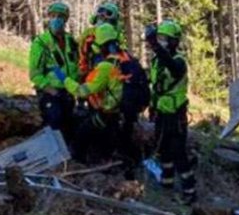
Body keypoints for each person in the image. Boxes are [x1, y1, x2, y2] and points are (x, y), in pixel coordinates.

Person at [75, 22, 139, 171]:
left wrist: (66, 81)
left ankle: (88, 163)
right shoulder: (125, 57)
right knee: (111, 136)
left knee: (85, 133)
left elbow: (86, 89)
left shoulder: (105, 64)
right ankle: (111, 160)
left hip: (107, 109)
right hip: (119, 108)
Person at [147, 19, 194, 204]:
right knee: (163, 152)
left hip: (176, 116)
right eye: (159, 38)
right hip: (161, 113)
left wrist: (155, 45)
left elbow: (173, 70)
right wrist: (152, 107)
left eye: (165, 39)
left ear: (174, 41)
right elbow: (156, 86)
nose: (161, 41)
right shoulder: (156, 61)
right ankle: (167, 186)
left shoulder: (178, 61)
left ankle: (189, 191)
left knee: (179, 153)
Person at [28, 1, 81, 142]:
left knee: (69, 127)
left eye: (61, 16)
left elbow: (76, 65)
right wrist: (50, 89)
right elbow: (35, 73)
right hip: (50, 93)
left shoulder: (71, 41)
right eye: (54, 16)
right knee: (54, 122)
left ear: (65, 20)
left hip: (69, 93)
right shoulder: (41, 43)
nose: (57, 19)